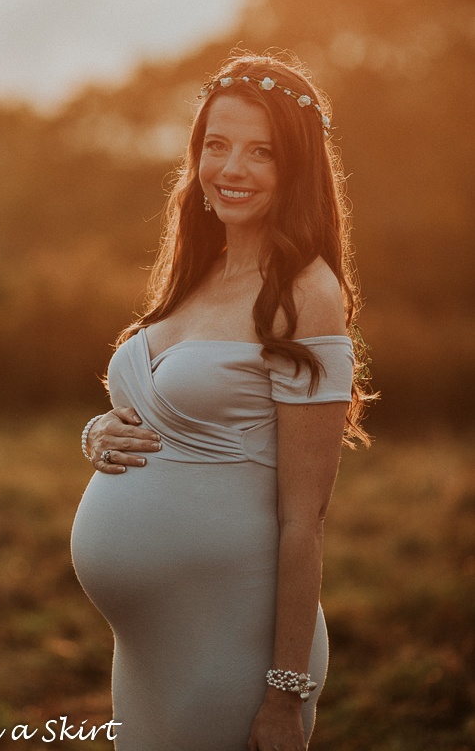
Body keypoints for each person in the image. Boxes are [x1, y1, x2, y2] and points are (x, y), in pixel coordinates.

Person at [71, 51, 372, 751]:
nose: (230, 168)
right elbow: (165, 410)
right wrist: (98, 434)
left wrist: (282, 697)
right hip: (150, 647)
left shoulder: (306, 293)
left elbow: (305, 519)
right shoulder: (198, 271)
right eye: (217, 144)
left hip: (230, 650)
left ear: (294, 170)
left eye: (260, 152)